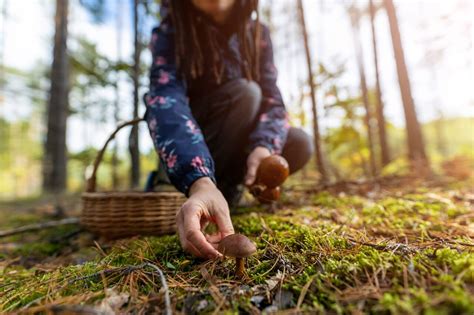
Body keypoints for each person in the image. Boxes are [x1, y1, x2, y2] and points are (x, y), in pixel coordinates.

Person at [144, 0, 313, 259]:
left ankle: (230, 190)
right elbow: (165, 102)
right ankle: (197, 189)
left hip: (240, 145)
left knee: (299, 143)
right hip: (196, 147)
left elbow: (274, 102)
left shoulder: (258, 34)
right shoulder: (171, 33)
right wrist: (197, 179)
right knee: (245, 94)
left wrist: (263, 146)